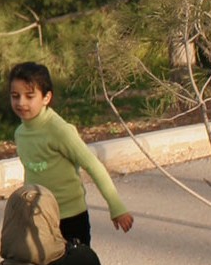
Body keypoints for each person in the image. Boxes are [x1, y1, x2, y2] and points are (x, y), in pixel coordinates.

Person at [9, 61, 134, 246]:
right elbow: (32, 173)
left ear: (46, 97)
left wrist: (116, 207)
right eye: (15, 96)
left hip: (71, 218)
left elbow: (92, 165)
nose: (21, 102)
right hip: (40, 217)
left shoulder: (59, 130)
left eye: (29, 96)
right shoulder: (20, 133)